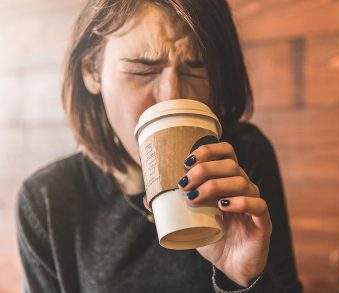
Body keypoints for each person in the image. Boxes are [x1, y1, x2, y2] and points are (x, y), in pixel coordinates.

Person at [16, 0, 302, 292]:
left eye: (196, 67)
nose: (172, 97)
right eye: (143, 70)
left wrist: (245, 279)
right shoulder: (47, 199)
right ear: (92, 71)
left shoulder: (241, 161)